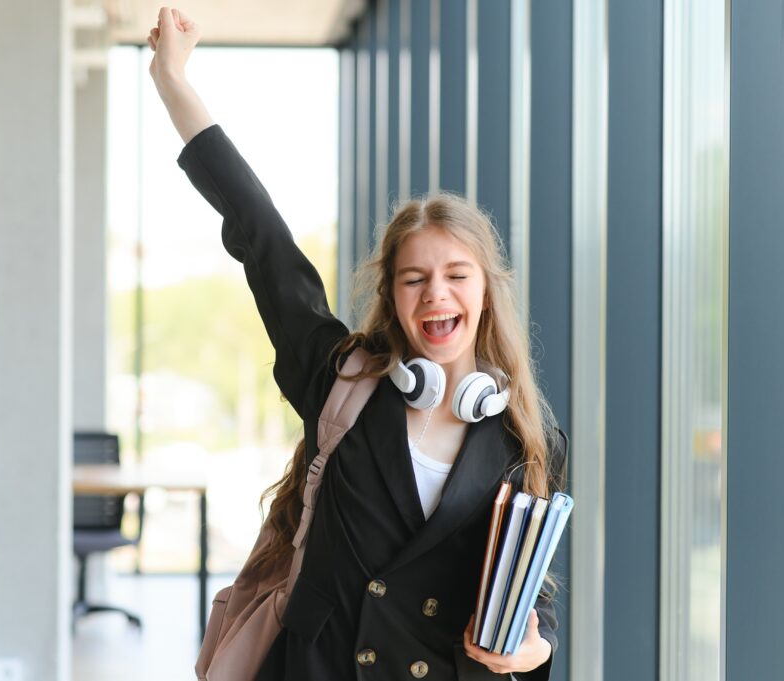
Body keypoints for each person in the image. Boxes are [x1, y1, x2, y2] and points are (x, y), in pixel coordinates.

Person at [148, 7, 568, 680]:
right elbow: (263, 238)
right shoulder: (339, 377)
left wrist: (533, 646)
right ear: (393, 297)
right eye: (415, 278)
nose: (436, 294)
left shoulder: (523, 433)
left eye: (456, 276)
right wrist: (174, 82)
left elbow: (534, 594)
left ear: (486, 292)